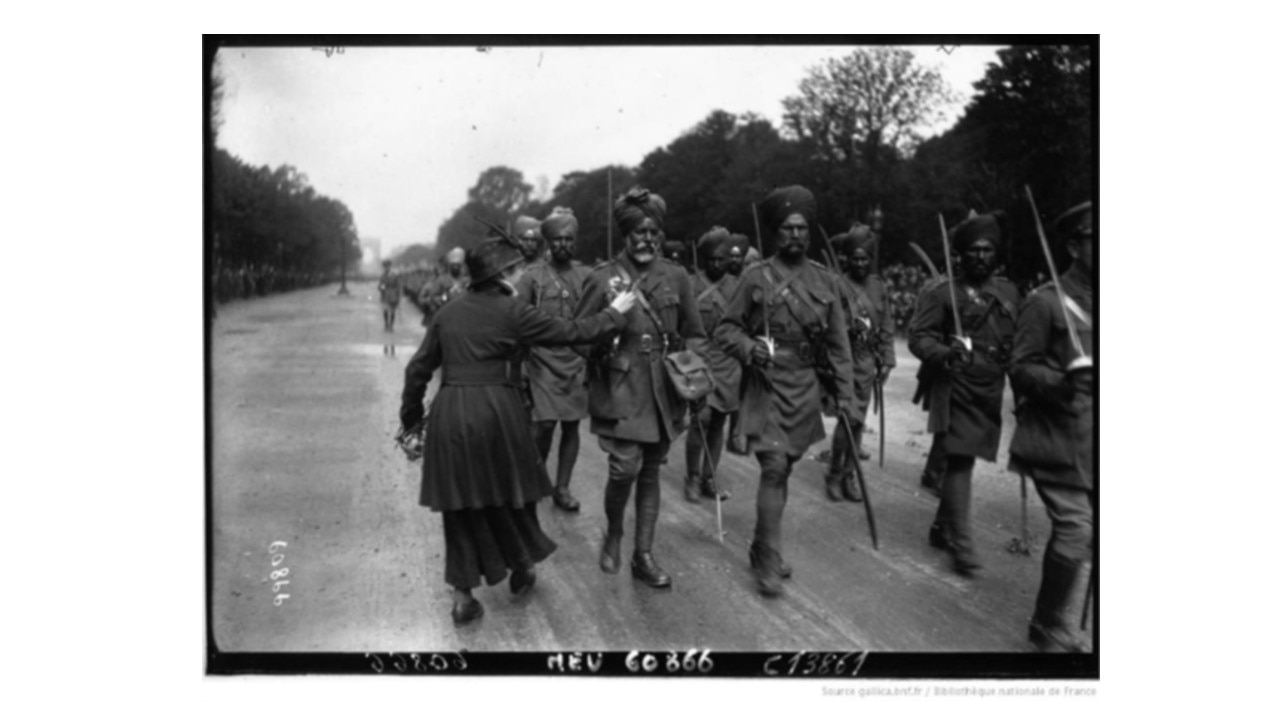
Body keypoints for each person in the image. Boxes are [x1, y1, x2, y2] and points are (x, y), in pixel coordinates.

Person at [398, 233, 637, 626]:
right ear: (504, 273)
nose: (523, 270)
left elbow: (417, 371)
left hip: (451, 413)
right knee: (516, 492)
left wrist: (411, 423)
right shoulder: (514, 312)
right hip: (499, 411)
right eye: (518, 266)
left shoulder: (447, 313)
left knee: (458, 505)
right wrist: (615, 312)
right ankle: (523, 563)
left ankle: (463, 597)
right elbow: (573, 332)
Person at [715, 186, 854, 597]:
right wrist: (748, 347)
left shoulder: (825, 280)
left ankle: (761, 545)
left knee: (787, 466)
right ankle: (770, 559)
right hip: (766, 385)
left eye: (802, 228)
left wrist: (845, 395)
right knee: (773, 467)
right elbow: (725, 328)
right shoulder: (755, 278)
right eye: (787, 229)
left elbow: (839, 345)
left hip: (806, 386)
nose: (795, 235)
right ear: (774, 233)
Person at [576, 187, 706, 589]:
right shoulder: (603, 278)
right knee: (624, 468)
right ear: (625, 236)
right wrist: (609, 327)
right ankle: (615, 530)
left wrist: (696, 376)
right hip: (620, 385)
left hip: (663, 386)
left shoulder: (676, 276)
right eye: (640, 232)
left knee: (649, 471)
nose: (648, 240)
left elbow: (695, 333)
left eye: (654, 232)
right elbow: (579, 336)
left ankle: (643, 555)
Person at [907, 211, 1020, 577]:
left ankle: (942, 527)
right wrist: (944, 353)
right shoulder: (943, 294)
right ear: (960, 254)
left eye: (987, 250)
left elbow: (1018, 342)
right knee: (959, 459)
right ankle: (961, 542)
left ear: (996, 255)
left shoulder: (1009, 293)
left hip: (990, 386)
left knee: (966, 457)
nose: (980, 257)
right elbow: (918, 337)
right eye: (972, 251)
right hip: (955, 382)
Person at [1008, 202, 1094, 652]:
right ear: (1073, 246)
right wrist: (1062, 382)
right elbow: (1021, 368)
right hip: (1058, 436)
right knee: (1077, 528)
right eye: (1095, 238)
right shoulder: (1045, 302)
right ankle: (1047, 622)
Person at [514, 207, 593, 512]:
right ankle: (535, 477)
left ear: (575, 242)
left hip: (575, 361)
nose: (563, 245)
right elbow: (517, 320)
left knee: (572, 426)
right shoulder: (533, 276)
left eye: (569, 239)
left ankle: (562, 487)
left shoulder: (586, 275)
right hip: (541, 361)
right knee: (544, 425)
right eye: (557, 239)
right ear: (548, 242)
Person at [822, 225, 897, 502]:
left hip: (868, 361)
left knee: (857, 420)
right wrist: (847, 325)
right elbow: (826, 322)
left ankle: (847, 474)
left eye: (865, 258)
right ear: (848, 260)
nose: (861, 263)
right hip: (844, 358)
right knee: (848, 418)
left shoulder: (878, 286)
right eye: (855, 258)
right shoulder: (837, 285)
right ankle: (835, 474)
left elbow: (887, 324)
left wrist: (887, 359)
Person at [683, 227, 741, 502]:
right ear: (704, 259)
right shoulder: (692, 285)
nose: (717, 264)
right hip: (700, 358)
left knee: (718, 422)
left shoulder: (738, 286)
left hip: (728, 362)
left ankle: (709, 477)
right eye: (712, 259)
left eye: (722, 259)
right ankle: (692, 476)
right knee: (700, 420)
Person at [724, 233, 751, 455]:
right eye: (730, 256)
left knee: (740, 393)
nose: (734, 261)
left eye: (738, 256)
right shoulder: (719, 281)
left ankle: (736, 433)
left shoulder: (749, 281)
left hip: (741, 343)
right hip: (720, 345)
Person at [420, 247, 468, 327]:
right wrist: (445, 297)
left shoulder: (467, 280)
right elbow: (434, 296)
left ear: (461, 266)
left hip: (464, 316)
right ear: (450, 266)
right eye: (453, 265)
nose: (455, 267)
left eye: (458, 265)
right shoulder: (442, 280)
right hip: (447, 316)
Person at [377, 260, 402, 331]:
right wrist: (383, 287)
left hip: (393, 296)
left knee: (392, 311)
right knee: (385, 311)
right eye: (385, 266)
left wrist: (398, 296)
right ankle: (386, 324)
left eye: (388, 266)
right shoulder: (382, 276)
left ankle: (391, 325)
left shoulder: (394, 275)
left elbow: (398, 286)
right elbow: (379, 286)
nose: (386, 268)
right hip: (385, 296)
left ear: (390, 266)